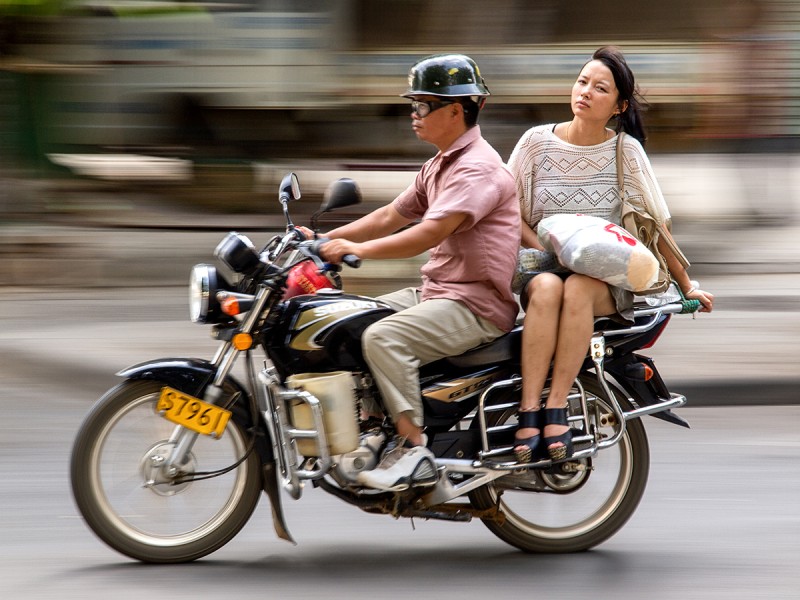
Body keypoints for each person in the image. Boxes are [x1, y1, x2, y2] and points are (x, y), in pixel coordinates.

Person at [317, 54, 521, 491]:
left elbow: (428, 233)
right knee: (350, 318)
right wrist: (320, 239)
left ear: (455, 110)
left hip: (474, 306)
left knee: (384, 337)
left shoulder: (477, 169)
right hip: (439, 293)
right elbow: (391, 215)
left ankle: (415, 451)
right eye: (414, 103)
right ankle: (374, 428)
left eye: (424, 104)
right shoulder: (442, 162)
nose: (415, 113)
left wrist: (358, 250)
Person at [507, 46, 714, 464]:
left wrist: (687, 286)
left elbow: (657, 228)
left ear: (618, 106)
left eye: (599, 88)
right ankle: (529, 407)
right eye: (582, 81)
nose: (585, 92)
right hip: (541, 267)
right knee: (548, 288)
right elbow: (506, 212)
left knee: (580, 287)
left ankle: (556, 407)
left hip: (601, 281)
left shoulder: (626, 152)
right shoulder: (534, 144)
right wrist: (547, 253)